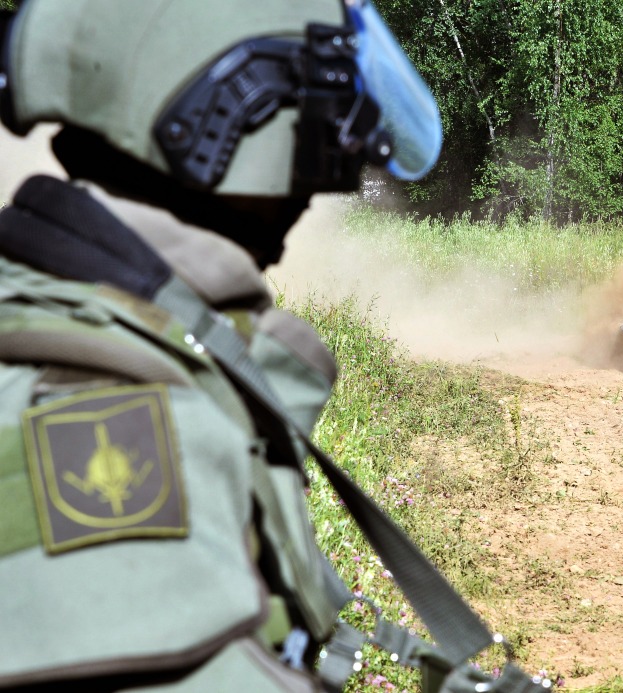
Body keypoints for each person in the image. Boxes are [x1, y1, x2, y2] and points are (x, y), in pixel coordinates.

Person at [0, 0, 471, 690]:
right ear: (229, 106)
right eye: (323, 106)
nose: (343, 155)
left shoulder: (99, 320)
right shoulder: (117, 425)